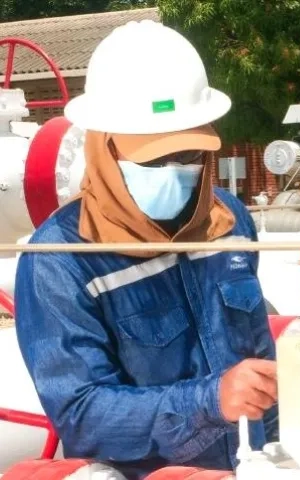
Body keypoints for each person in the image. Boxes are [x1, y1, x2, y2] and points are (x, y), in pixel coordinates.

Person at [15, 20, 277, 479]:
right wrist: (210, 400)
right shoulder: (59, 260)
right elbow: (82, 412)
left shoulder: (228, 222)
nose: (175, 171)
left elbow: (260, 356)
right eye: (153, 160)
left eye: (189, 155)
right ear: (104, 149)